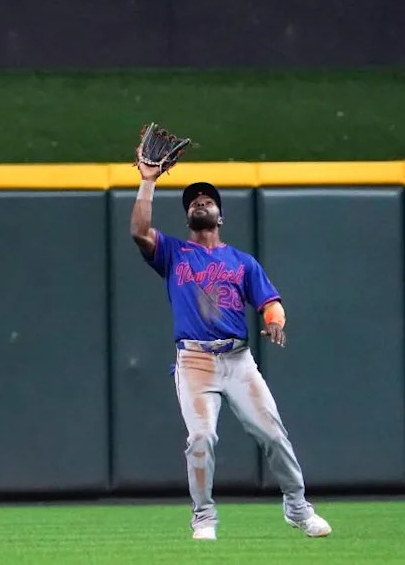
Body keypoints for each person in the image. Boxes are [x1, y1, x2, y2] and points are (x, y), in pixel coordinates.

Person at [129, 155, 332, 541]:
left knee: (273, 434)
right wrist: (148, 181)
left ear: (220, 216)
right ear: (189, 217)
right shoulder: (173, 253)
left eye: (208, 200)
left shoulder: (242, 262)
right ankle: (204, 518)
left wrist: (274, 321)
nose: (200, 202)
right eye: (193, 201)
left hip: (238, 361)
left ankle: (299, 508)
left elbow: (270, 302)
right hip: (195, 361)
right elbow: (139, 230)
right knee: (201, 437)